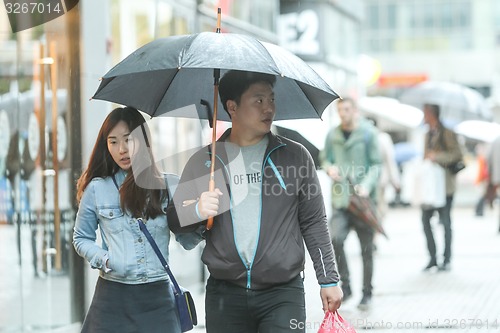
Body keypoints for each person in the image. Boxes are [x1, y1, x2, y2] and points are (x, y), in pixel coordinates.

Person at [167, 70, 343, 333]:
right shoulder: (207, 161)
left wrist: (328, 278)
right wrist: (197, 209)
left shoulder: (294, 157)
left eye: (271, 99)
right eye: (258, 100)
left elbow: (314, 221)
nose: (269, 108)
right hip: (225, 294)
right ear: (232, 107)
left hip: (283, 293)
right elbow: (174, 220)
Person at [73, 106, 202, 333]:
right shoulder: (97, 188)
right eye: (113, 142)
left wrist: (202, 218)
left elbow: (187, 241)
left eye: (128, 140)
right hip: (113, 296)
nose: (121, 149)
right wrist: (106, 259)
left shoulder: (168, 186)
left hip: (157, 298)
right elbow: (81, 237)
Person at [320, 97, 381, 310]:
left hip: (363, 201)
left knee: (366, 249)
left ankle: (367, 292)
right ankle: (346, 286)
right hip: (341, 200)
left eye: (346, 109)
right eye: (340, 110)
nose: (342, 113)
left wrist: (366, 185)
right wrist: (329, 168)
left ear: (355, 111)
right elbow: (324, 158)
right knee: (335, 239)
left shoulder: (368, 133)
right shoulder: (332, 135)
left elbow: (376, 165)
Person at [420, 103, 463, 272]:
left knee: (445, 223)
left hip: (445, 186)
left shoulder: (448, 132)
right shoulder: (426, 135)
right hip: (430, 187)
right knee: (425, 221)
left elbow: (457, 154)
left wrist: (437, 157)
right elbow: (425, 156)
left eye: (425, 113)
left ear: (432, 114)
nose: (423, 117)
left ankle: (446, 258)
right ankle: (432, 257)